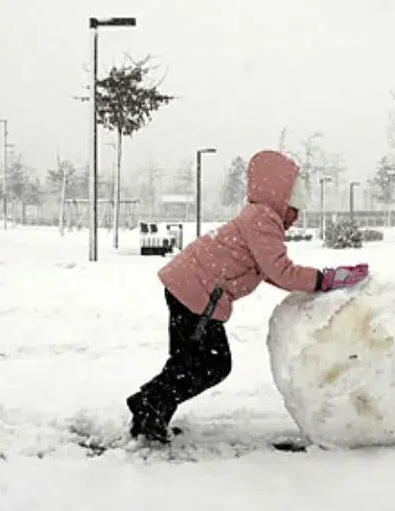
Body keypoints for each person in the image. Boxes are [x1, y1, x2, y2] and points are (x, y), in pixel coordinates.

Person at [126, 149, 370, 443]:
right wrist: (325, 279)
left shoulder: (258, 217)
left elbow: (271, 272)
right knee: (212, 364)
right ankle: (149, 404)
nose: (296, 216)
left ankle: (152, 414)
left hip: (188, 286)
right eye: (294, 207)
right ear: (280, 198)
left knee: (187, 360)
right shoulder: (262, 219)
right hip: (195, 292)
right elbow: (281, 271)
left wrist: (319, 280)